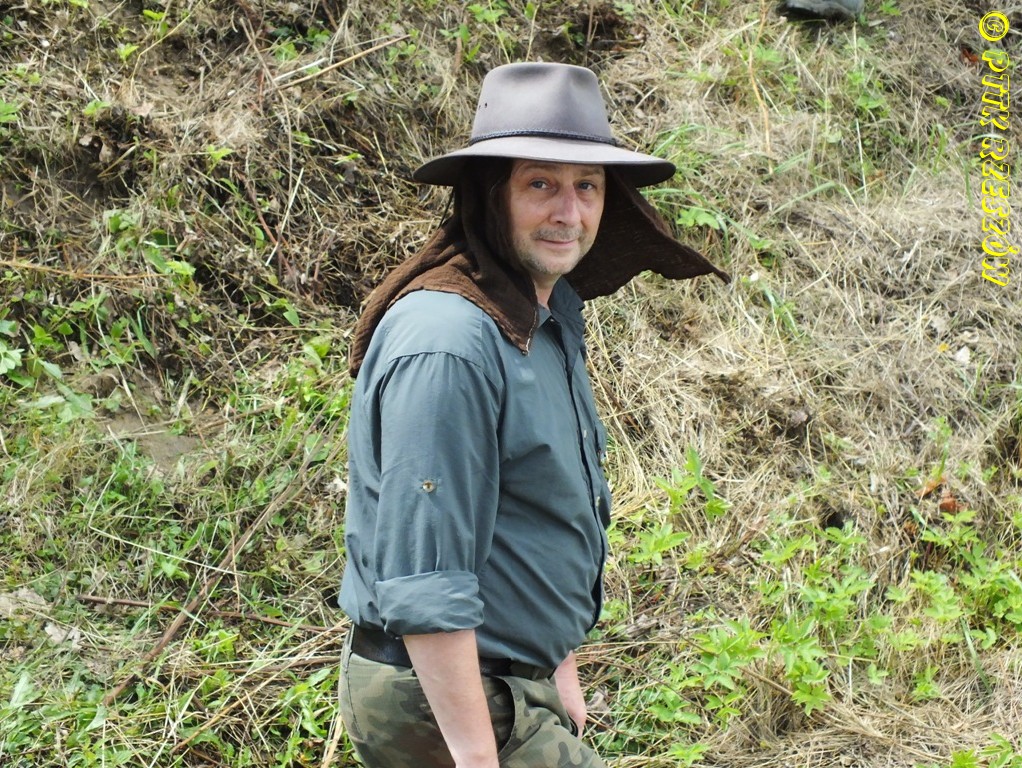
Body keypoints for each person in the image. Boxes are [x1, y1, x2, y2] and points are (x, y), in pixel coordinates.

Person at [337, 62, 728, 768]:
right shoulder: (450, 343)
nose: (569, 213)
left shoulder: (538, 316)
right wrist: (476, 757)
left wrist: (556, 666)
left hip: (507, 679)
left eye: (588, 186)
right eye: (541, 184)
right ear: (491, 195)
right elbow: (425, 577)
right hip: (443, 697)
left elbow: (532, 513)